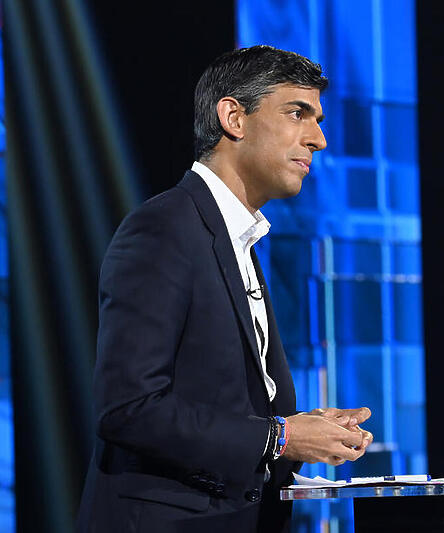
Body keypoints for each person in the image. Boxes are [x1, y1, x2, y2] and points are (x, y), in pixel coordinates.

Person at [76, 45, 373, 533]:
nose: (318, 138)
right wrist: (278, 438)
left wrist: (302, 427)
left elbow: (217, 400)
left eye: (317, 118)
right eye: (298, 113)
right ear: (234, 117)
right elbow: (128, 408)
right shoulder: (163, 229)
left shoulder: (235, 237)